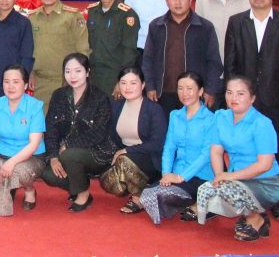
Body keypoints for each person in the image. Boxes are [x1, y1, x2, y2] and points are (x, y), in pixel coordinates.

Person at [224, 0, 279, 221]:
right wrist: (232, 97)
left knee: (277, 149)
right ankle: (245, 195)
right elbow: (230, 64)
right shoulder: (237, 22)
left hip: (276, 99)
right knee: (243, 149)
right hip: (243, 101)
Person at [196, 76, 279, 242]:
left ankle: (256, 218)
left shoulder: (262, 123)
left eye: (240, 94)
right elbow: (216, 151)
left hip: (267, 182)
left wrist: (229, 177)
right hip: (237, 178)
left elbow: (265, 165)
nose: (233, 98)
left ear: (252, 98)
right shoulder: (220, 117)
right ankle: (252, 213)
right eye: (229, 92)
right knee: (207, 190)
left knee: (226, 192)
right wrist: (220, 176)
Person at [139, 71, 217, 225]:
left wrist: (181, 177)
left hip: (201, 175)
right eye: (180, 88)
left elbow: (206, 155)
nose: (184, 93)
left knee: (159, 196)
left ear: (200, 91)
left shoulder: (211, 119)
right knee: (146, 195)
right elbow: (169, 147)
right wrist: (166, 174)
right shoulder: (175, 115)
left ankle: (200, 201)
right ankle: (188, 202)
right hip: (176, 172)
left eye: (189, 88)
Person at [41, 53, 115, 212]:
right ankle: (79, 184)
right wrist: (53, 156)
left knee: (69, 155)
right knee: (48, 173)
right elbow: (51, 128)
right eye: (68, 71)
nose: (72, 76)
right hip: (66, 154)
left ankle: (83, 195)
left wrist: (68, 145)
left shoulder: (100, 98)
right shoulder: (58, 95)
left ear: (87, 72)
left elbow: (99, 133)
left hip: (96, 152)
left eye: (78, 71)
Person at [142, 0, 222, 116]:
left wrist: (210, 90)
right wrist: (150, 87)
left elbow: (214, 62)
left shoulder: (205, 27)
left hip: (194, 94)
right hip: (163, 93)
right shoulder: (156, 26)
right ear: (166, 1)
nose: (177, 2)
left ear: (190, 0)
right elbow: (147, 60)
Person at [0, 64, 46, 216]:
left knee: (18, 171)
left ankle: (29, 190)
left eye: (16, 82)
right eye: (6, 81)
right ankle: (8, 186)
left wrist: (12, 162)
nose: (10, 86)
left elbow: (34, 144)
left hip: (31, 157)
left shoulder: (35, 107)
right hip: (3, 156)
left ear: (25, 85)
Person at [99, 66, 167, 214]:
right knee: (107, 182)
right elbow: (110, 136)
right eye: (123, 83)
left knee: (124, 161)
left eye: (133, 83)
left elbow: (158, 143)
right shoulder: (116, 107)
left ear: (143, 85)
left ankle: (140, 197)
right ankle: (138, 187)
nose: (127, 87)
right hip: (124, 157)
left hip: (149, 158)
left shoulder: (154, 109)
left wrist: (126, 151)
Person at [28, 0, 90, 109]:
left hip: (66, 80)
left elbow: (83, 49)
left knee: (67, 119)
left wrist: (79, 77)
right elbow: (29, 48)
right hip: (41, 82)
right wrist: (30, 72)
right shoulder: (32, 18)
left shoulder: (72, 16)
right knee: (42, 119)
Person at [86, 0, 139, 96]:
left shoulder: (127, 15)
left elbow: (129, 52)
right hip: (93, 75)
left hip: (114, 76)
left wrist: (122, 80)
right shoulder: (91, 11)